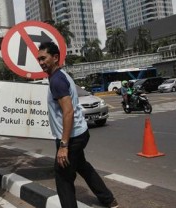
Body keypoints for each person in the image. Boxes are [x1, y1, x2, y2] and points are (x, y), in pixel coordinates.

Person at [37, 41, 118, 208]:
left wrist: (64, 146)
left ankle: (108, 199)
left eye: (44, 58)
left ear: (55, 57)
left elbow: (68, 112)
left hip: (71, 138)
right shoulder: (61, 76)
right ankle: (108, 199)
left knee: (63, 180)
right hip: (79, 133)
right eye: (39, 59)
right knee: (83, 166)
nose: (41, 62)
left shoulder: (57, 81)